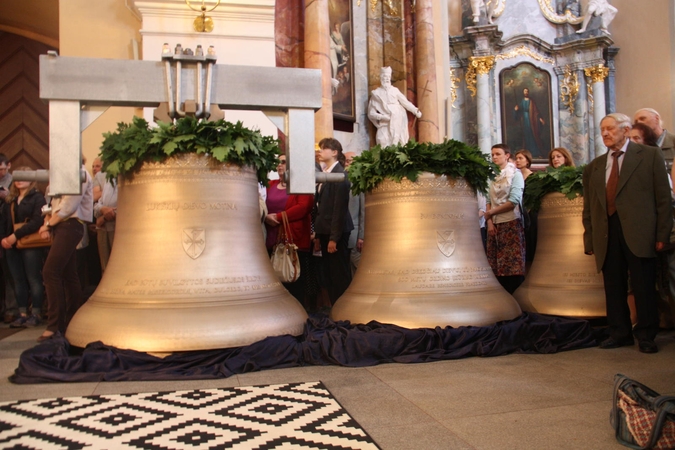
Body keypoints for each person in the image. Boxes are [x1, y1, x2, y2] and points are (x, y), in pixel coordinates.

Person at [582, 113, 672, 354]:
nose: (605, 133)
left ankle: (646, 335)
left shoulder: (649, 156)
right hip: (606, 233)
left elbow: (663, 199)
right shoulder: (595, 166)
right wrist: (589, 238)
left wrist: (662, 234)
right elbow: (589, 207)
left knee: (643, 286)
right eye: (602, 129)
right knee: (613, 286)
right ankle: (619, 332)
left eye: (610, 128)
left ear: (625, 129)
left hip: (640, 232)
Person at [37, 162, 93, 342]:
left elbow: (69, 206)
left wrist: (48, 224)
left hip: (71, 224)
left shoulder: (79, 173)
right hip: (62, 225)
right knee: (69, 274)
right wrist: (49, 219)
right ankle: (71, 322)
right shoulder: (65, 173)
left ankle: (54, 326)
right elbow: (53, 202)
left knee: (50, 271)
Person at [264, 154, 314, 308]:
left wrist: (278, 217)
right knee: (273, 280)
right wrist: (265, 217)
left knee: (293, 279)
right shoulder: (270, 184)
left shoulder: (301, 184)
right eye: (278, 163)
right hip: (270, 238)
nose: (280, 165)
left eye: (284, 162)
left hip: (293, 239)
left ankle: (297, 313)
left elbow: (303, 207)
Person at [0, 168, 46, 328]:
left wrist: (15, 236)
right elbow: (5, 221)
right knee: (17, 280)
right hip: (11, 244)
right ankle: (22, 313)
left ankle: (36, 312)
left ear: (31, 179)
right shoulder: (11, 199)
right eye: (17, 177)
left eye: (23, 177)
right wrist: (4, 239)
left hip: (29, 242)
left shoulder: (37, 197)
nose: (19, 180)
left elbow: (36, 221)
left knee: (33, 278)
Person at [314, 138, 353, 304]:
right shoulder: (326, 173)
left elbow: (339, 208)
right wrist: (318, 234)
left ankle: (343, 310)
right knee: (328, 274)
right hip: (324, 230)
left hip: (336, 232)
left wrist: (333, 238)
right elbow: (320, 205)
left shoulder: (341, 174)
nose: (320, 151)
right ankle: (334, 309)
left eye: (324, 148)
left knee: (339, 275)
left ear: (335, 152)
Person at [484, 144, 526, 294]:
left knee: (511, 265)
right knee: (496, 265)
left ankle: (514, 297)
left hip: (510, 223)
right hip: (494, 224)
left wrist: (490, 213)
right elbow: (488, 200)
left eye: (498, 154)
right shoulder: (491, 176)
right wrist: (489, 222)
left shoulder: (516, 174)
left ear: (507, 156)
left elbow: (513, 201)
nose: (494, 157)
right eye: (493, 154)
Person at [367, 66, 422, 147]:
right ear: (381, 78)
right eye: (385, 77)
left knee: (399, 147)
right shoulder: (376, 94)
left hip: (398, 123)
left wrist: (415, 110)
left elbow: (405, 102)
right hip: (384, 126)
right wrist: (383, 117)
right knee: (383, 147)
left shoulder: (395, 91)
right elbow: (371, 113)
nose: (386, 79)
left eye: (388, 77)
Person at [344, 152, 364, 276]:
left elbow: (363, 212)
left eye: (351, 160)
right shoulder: (343, 180)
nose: (348, 163)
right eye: (346, 161)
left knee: (359, 270)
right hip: (343, 235)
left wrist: (361, 236)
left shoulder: (359, 182)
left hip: (355, 235)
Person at [93, 171, 117, 272]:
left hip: (117, 229)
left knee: (117, 268)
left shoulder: (128, 176)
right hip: (103, 229)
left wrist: (103, 218)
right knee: (105, 269)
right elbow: (97, 205)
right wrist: (102, 209)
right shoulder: (109, 178)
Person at [515, 149, 537, 265]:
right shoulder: (516, 177)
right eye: (516, 158)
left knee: (531, 242)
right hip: (518, 214)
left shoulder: (534, 177)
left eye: (521, 158)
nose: (517, 161)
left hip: (530, 215)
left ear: (527, 161)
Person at [514, 88, 545, 156]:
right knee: (526, 134)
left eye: (527, 91)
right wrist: (516, 109)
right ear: (523, 93)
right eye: (525, 91)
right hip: (525, 120)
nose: (526, 92)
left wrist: (540, 118)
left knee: (533, 134)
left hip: (532, 119)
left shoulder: (531, 101)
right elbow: (519, 110)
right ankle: (528, 152)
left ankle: (535, 152)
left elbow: (536, 111)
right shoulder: (522, 101)